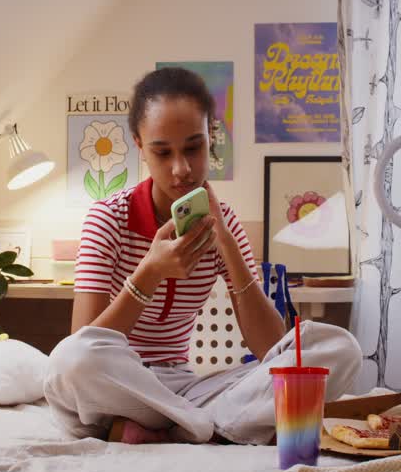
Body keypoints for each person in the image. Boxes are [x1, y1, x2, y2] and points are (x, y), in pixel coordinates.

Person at [43, 66, 361, 445]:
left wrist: (225, 245)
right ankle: (205, 427)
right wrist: (149, 273)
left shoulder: (224, 223)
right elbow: (85, 339)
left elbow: (271, 349)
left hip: (184, 388)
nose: (181, 170)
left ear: (211, 138)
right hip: (119, 387)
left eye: (194, 148)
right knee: (68, 362)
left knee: (339, 348)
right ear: (140, 147)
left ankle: (179, 426)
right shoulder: (108, 218)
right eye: (163, 152)